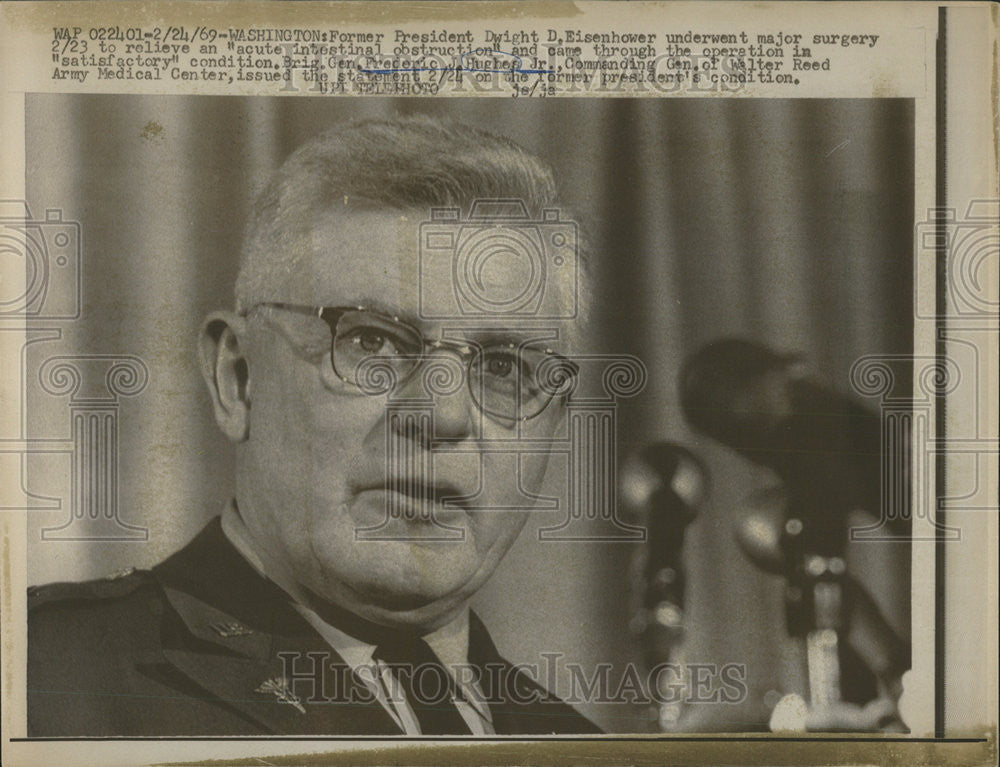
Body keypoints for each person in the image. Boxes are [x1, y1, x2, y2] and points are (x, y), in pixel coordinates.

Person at [27, 116, 600, 736]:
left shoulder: (580, 744)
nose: (442, 416)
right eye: (373, 342)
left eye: (503, 368)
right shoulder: (42, 681)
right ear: (239, 378)